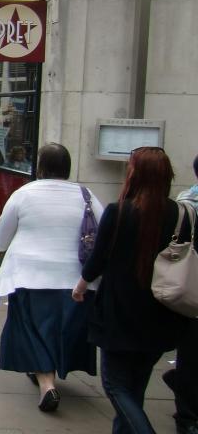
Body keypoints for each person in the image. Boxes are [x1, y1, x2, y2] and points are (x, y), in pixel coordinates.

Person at [72, 147, 191, 433]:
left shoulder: (120, 211)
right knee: (136, 386)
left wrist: (81, 286)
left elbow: (98, 259)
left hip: (120, 312)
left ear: (135, 174)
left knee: (115, 386)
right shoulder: (181, 215)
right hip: (162, 313)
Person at [0, 143, 102, 413]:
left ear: (40, 167)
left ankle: (47, 385)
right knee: (61, 330)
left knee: (31, 329)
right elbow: (104, 228)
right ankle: (47, 380)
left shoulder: (24, 193)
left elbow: (2, 235)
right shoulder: (85, 194)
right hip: (74, 280)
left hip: (30, 275)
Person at [167, 153, 198, 434]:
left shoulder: (185, 205)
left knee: (190, 351)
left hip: (191, 289)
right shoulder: (187, 206)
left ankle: (187, 415)